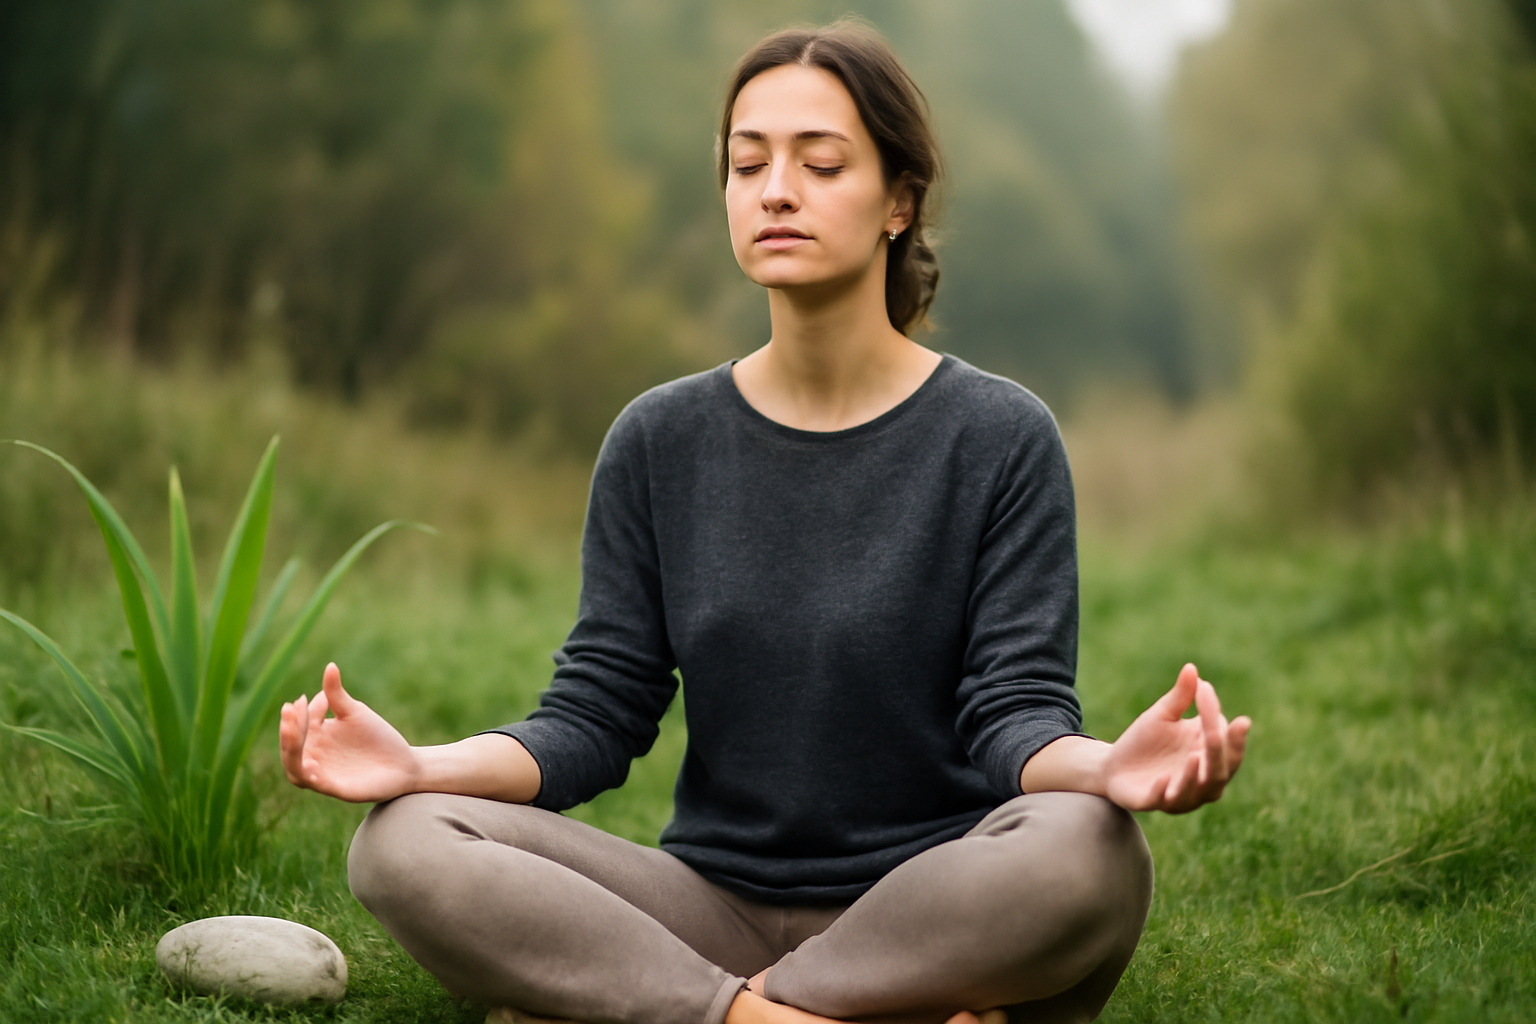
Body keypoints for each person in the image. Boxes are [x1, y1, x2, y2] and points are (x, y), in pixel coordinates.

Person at [279, 21, 1250, 1024]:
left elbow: (1014, 713)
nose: (776, 189)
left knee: (1094, 849)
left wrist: (1107, 770)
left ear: (899, 202)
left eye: (820, 163)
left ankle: (643, 1006)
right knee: (401, 839)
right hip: (704, 902)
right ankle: (785, 1014)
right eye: (749, 164)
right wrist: (419, 767)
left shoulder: (999, 436)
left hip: (931, 899)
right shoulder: (660, 439)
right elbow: (596, 716)